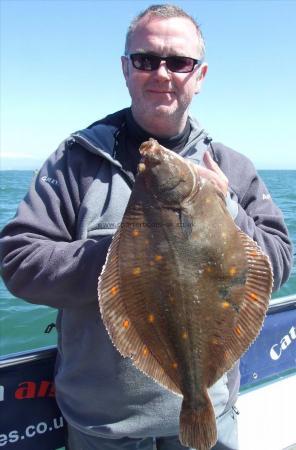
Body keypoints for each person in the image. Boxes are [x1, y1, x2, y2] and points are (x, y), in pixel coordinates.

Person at [0, 4, 293, 450]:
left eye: (178, 62)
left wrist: (229, 211)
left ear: (200, 75)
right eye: (145, 60)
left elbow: (279, 261)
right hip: (103, 426)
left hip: (210, 405)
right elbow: (18, 261)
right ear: (125, 68)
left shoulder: (231, 168)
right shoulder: (75, 160)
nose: (162, 73)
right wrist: (124, 260)